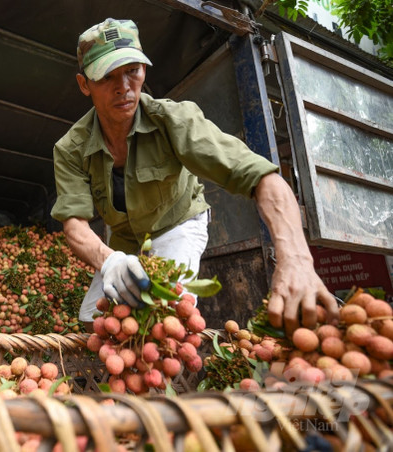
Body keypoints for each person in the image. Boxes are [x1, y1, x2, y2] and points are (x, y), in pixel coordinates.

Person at [50, 18, 339, 334]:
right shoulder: (70, 149)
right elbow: (74, 224)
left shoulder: (173, 120)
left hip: (177, 225)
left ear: (144, 70)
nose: (123, 87)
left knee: (162, 318)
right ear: (84, 84)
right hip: (125, 243)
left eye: (132, 70)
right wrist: (110, 261)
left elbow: (263, 179)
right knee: (93, 321)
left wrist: (296, 258)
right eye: (106, 77)